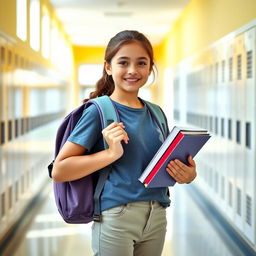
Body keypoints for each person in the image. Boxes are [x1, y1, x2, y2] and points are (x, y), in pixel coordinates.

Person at [52, 30, 197, 256]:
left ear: (150, 69)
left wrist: (186, 174)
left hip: (157, 215)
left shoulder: (157, 113)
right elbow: (59, 170)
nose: (132, 70)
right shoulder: (98, 111)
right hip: (115, 217)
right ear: (108, 67)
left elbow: (160, 167)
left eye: (141, 63)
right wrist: (110, 154)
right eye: (123, 62)